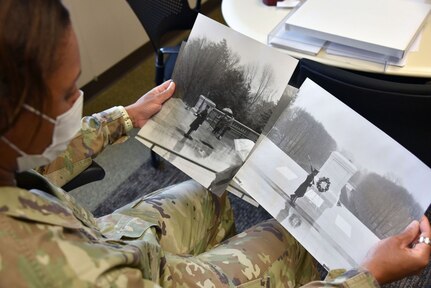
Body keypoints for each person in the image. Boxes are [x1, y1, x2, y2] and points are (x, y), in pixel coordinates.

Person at [0, 1, 430, 287]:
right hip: (118, 270)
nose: (80, 101)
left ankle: (220, 250)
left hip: (102, 239)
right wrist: (368, 275)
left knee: (209, 192)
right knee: (288, 236)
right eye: (66, 95)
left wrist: (125, 117)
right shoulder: (54, 269)